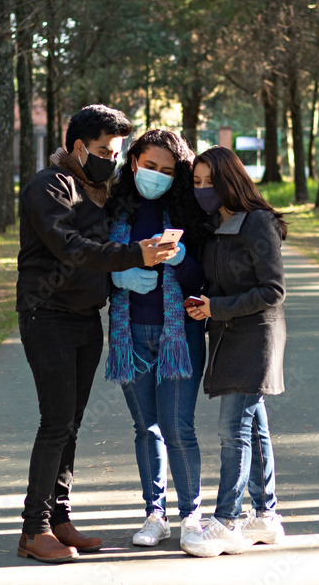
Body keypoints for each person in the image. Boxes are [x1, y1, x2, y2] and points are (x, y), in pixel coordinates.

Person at [15, 105, 178, 564]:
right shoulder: (49, 185)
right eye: (105, 150)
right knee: (55, 422)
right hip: (46, 316)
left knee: (71, 423)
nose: (112, 158)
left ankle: (59, 516)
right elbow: (70, 246)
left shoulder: (99, 190)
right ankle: (34, 529)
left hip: (87, 318)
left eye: (117, 151)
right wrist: (134, 256)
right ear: (78, 146)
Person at [103, 130, 208, 550]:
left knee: (177, 426)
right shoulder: (113, 211)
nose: (157, 176)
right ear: (133, 163)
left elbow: (204, 279)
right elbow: (91, 263)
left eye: (167, 170)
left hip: (178, 336)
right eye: (150, 166)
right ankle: (155, 514)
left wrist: (182, 261)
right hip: (129, 337)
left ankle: (192, 517)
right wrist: (117, 274)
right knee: (145, 428)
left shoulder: (189, 211)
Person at [181, 146, 288, 558]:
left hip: (255, 336)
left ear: (231, 180)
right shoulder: (212, 226)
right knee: (253, 426)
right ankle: (266, 516)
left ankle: (227, 521)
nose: (204, 189)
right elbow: (219, 281)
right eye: (197, 182)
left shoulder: (258, 222)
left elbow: (272, 290)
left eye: (211, 181)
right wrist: (203, 302)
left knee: (233, 430)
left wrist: (218, 307)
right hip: (224, 333)